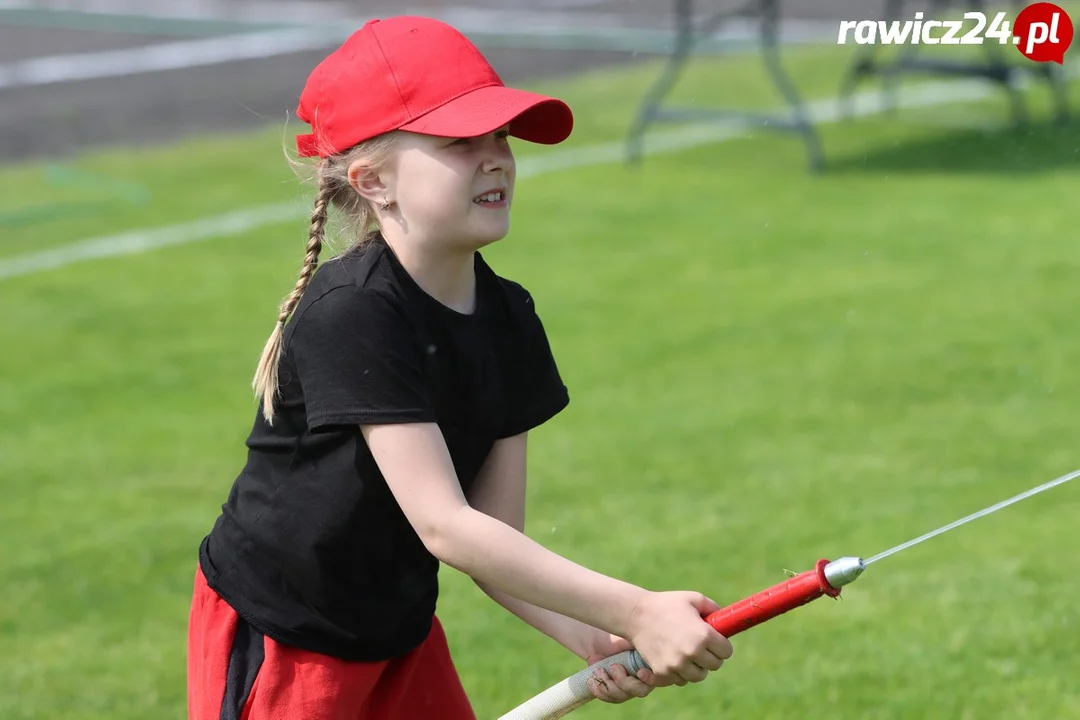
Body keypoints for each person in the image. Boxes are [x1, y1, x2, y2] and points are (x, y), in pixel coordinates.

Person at [185, 15, 733, 720]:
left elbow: (491, 531)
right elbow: (445, 525)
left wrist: (595, 635)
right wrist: (640, 609)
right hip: (290, 637)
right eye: (459, 141)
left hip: (398, 630)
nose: (496, 157)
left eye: (500, 136)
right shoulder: (354, 314)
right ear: (373, 181)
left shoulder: (510, 318)